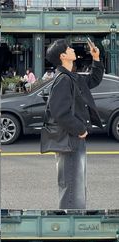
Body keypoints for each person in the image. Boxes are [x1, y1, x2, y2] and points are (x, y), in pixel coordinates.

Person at [45, 39, 103, 209]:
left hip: (74, 138)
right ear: (63, 56)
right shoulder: (63, 79)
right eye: (69, 48)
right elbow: (59, 111)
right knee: (72, 187)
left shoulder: (71, 77)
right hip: (70, 140)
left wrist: (96, 58)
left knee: (75, 184)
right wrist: (80, 129)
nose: (72, 49)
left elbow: (94, 80)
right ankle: (71, 219)